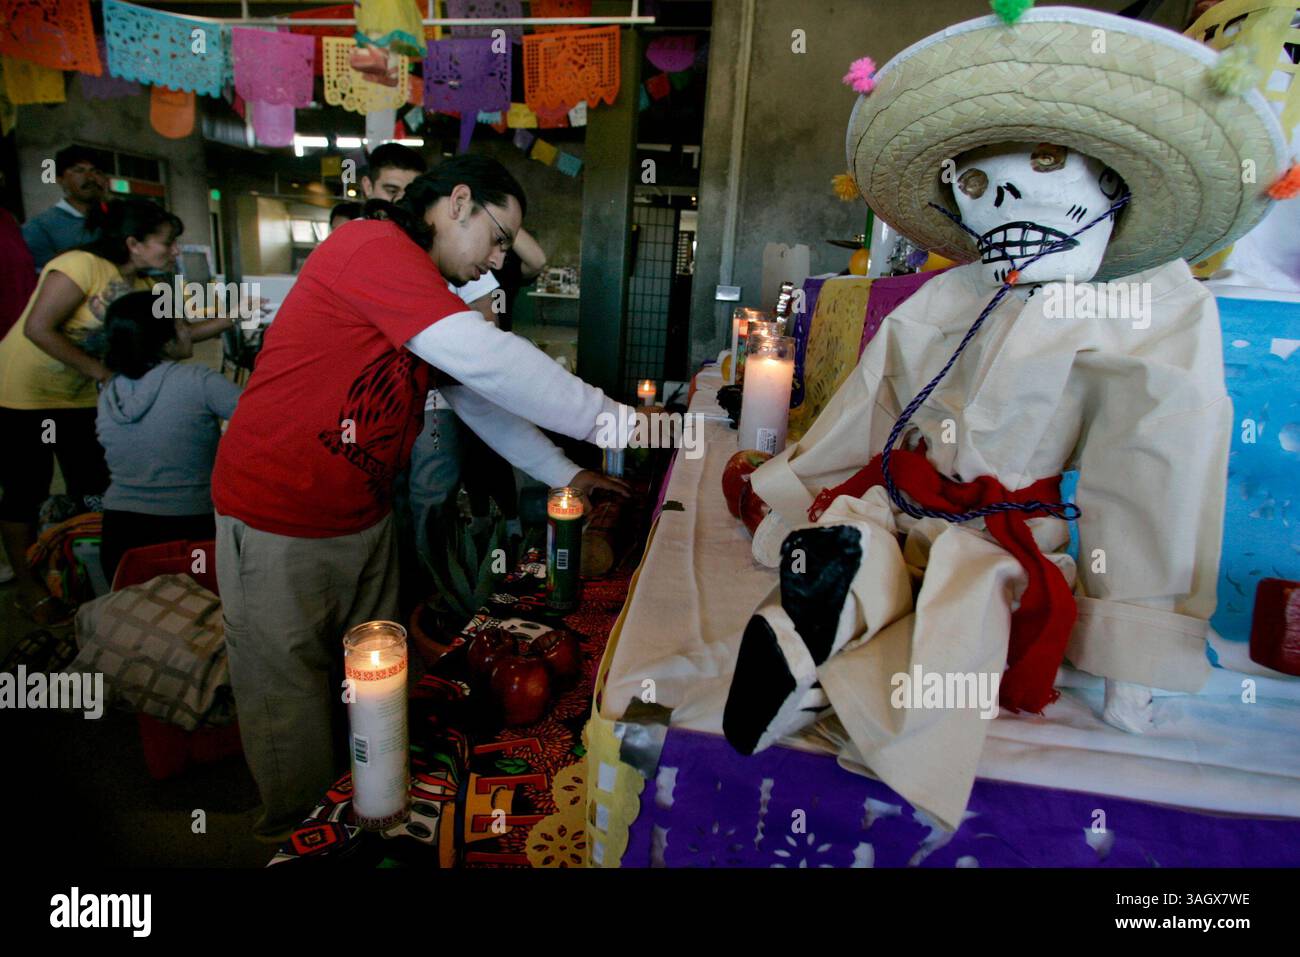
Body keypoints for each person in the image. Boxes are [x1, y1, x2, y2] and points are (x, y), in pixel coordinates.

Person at [211, 154, 632, 841]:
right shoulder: (372, 246)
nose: (497, 260)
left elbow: (478, 395)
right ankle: (301, 841)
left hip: (363, 514)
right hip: (279, 512)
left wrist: (565, 471)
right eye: (497, 237)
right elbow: (495, 362)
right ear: (457, 202)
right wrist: (626, 425)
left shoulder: (426, 287)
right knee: (288, 697)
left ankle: (370, 821)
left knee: (372, 694)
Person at [0, 199, 231, 624]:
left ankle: (83, 583)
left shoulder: (142, 287)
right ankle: (30, 589)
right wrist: (105, 374)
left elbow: (171, 335)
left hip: (83, 396)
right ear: (133, 243)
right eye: (167, 242)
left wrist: (232, 318)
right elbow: (37, 327)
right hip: (28, 394)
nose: (175, 250)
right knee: (25, 491)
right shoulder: (80, 265)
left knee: (92, 489)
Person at [95, 290, 242, 584]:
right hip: (189, 531)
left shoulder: (110, 391)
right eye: (182, 325)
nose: (189, 332)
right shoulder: (199, 381)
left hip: (119, 533)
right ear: (164, 340)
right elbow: (265, 420)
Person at [21, 145, 105, 271]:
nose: (91, 178)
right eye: (79, 170)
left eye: (96, 171)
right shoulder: (39, 228)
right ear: (60, 179)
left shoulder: (115, 219)